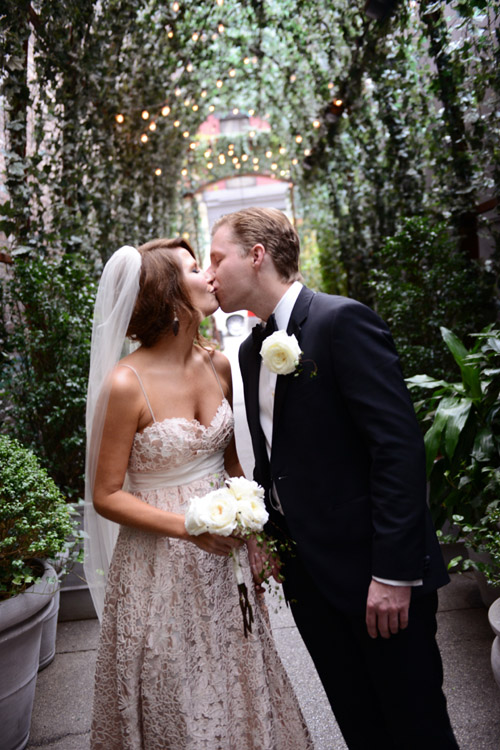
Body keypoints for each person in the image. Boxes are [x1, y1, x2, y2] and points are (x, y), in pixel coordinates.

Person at [207, 207, 459, 750]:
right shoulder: (251, 351)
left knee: (417, 730)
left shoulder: (343, 321)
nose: (210, 274)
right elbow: (278, 462)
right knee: (361, 728)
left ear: (257, 256)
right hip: (312, 584)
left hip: (378, 577)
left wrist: (394, 574)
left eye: (217, 258)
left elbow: (397, 450)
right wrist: (271, 539)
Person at [83, 238, 313, 750]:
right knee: (178, 689)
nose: (210, 275)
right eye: (194, 268)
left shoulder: (218, 366)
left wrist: (256, 537)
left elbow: (231, 461)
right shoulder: (125, 383)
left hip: (223, 561)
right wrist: (189, 526)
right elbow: (106, 494)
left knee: (239, 672)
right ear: (168, 294)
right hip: (158, 562)